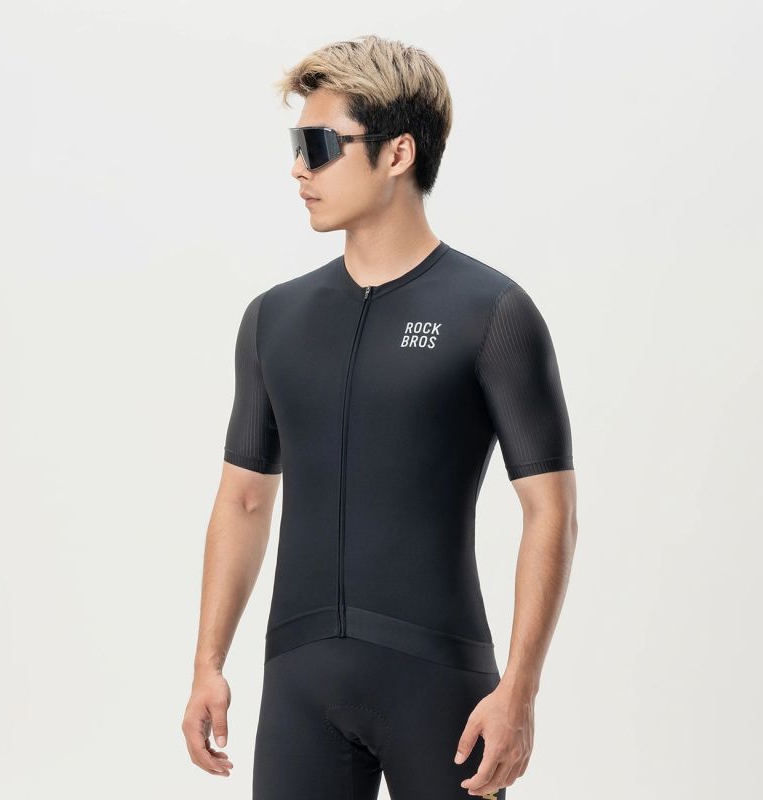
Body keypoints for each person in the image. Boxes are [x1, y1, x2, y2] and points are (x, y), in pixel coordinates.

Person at [181, 34, 577, 800]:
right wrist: (207, 663)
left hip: (441, 685)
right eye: (297, 146)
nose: (299, 169)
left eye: (321, 146)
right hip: (298, 685)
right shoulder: (274, 319)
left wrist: (521, 690)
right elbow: (244, 499)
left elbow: (549, 511)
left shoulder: (491, 314)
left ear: (398, 153)